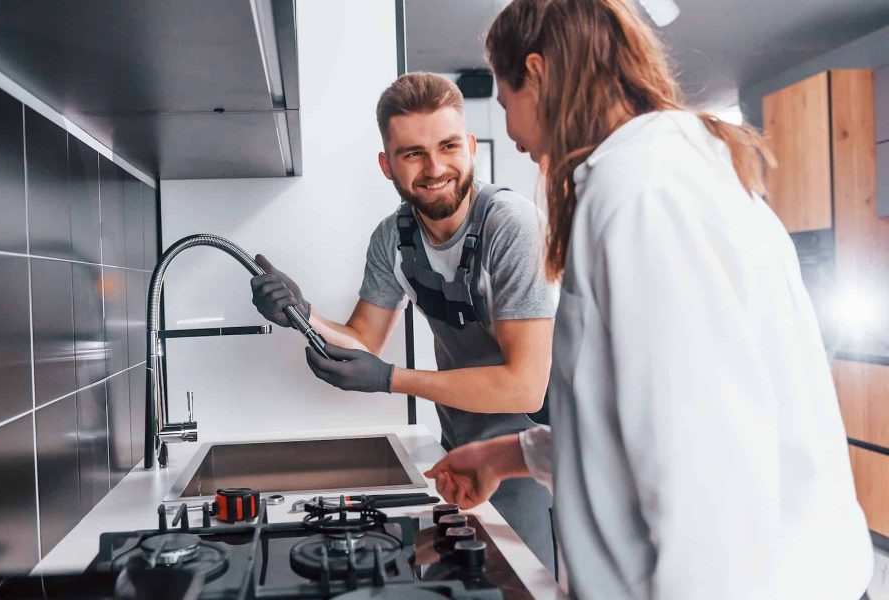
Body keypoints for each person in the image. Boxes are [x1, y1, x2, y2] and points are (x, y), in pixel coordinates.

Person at [424, 0, 874, 598]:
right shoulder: (658, 176)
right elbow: (644, 422)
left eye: (505, 104)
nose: (510, 133)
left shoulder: (642, 195)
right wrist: (507, 456)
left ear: (537, 73)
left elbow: (704, 470)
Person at [249, 72, 557, 569]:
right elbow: (363, 341)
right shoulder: (393, 239)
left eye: (448, 146)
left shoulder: (510, 227)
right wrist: (302, 315)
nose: (435, 168)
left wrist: (392, 379)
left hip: (533, 456)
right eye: (413, 153)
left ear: (470, 147)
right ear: (387, 165)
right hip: (461, 446)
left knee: (520, 585)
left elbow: (526, 388)